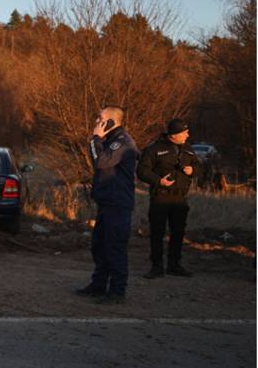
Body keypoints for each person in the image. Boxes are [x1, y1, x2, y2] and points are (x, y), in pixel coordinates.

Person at [76, 106, 139, 304]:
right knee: (100, 247)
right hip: (106, 203)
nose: (96, 122)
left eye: (100, 119)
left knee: (114, 248)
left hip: (118, 204)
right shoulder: (110, 141)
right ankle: (98, 285)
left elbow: (101, 162)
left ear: (110, 122)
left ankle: (117, 292)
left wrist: (95, 138)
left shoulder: (122, 142)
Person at [137, 119, 198, 279]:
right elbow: (142, 171)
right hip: (161, 197)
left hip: (180, 199)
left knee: (178, 232)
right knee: (158, 233)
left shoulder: (188, 149)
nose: (188, 134)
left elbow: (199, 168)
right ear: (174, 135)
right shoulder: (154, 150)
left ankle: (174, 265)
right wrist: (159, 181)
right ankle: (156, 267)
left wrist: (192, 170)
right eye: (185, 132)